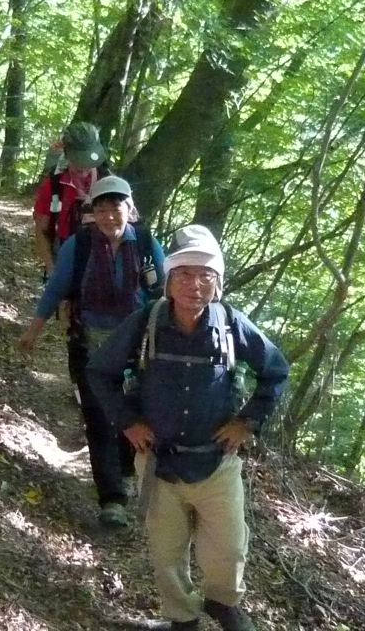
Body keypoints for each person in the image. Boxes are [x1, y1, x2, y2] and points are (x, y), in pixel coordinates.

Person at [87, 225, 289, 631]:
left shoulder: (232, 325)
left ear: (217, 282)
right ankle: (181, 617)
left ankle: (222, 602)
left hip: (217, 461)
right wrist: (127, 422)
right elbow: (99, 372)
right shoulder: (146, 322)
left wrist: (246, 422)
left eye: (205, 276)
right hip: (158, 463)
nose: (194, 285)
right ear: (169, 280)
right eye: (184, 274)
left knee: (229, 549)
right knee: (166, 553)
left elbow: (275, 371)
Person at [19, 176, 165, 528]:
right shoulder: (79, 246)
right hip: (90, 343)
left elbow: (163, 294)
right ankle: (111, 498)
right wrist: (33, 331)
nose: (108, 216)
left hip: (137, 346)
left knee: (130, 411)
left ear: (129, 211)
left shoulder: (146, 243)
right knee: (98, 417)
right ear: (92, 214)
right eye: (101, 209)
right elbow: (57, 288)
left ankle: (127, 465)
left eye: (115, 208)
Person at [32, 122, 111, 279]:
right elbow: (41, 230)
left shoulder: (108, 183)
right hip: (62, 254)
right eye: (77, 160)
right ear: (67, 154)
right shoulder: (53, 186)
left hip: (102, 256)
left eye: (87, 161)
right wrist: (52, 271)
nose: (83, 167)